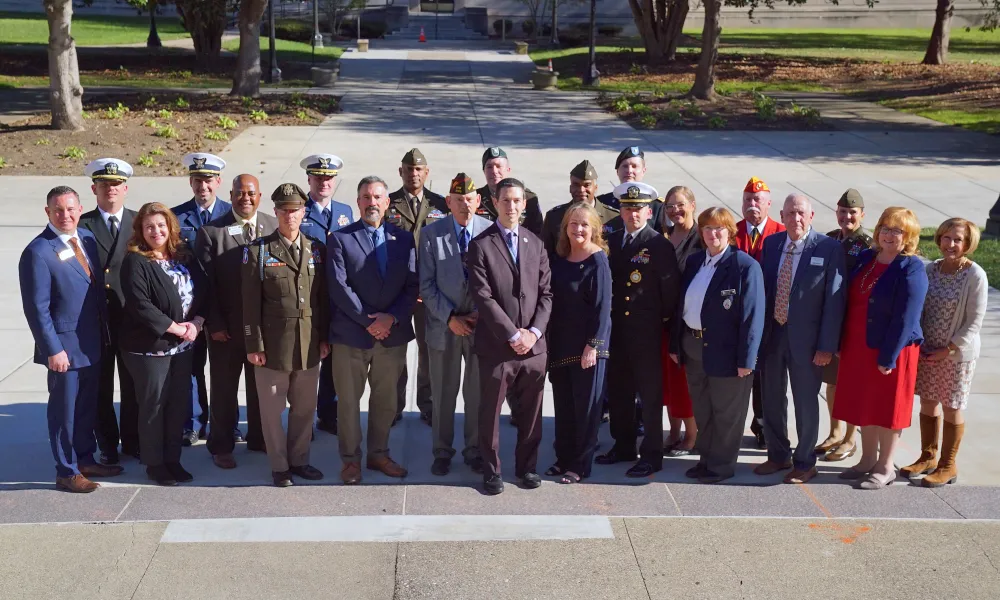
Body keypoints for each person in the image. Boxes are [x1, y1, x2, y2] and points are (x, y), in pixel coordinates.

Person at [19, 186, 123, 492]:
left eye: (71, 208)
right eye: (58, 210)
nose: (66, 215)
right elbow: (36, 310)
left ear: (80, 209)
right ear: (48, 212)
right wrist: (53, 350)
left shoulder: (87, 240)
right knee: (64, 412)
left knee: (86, 408)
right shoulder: (38, 252)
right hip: (64, 350)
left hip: (91, 344)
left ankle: (85, 458)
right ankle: (66, 471)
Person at [328, 176, 418, 485]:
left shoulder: (404, 239)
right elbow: (339, 287)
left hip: (391, 336)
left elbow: (412, 286)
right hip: (352, 335)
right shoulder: (340, 238)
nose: (372, 202)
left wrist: (389, 318)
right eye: (366, 197)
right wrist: (369, 321)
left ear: (387, 202)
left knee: (386, 400)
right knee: (350, 402)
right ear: (358, 202)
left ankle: (379, 453)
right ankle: (351, 461)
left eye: (378, 197)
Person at [467, 177, 552, 495]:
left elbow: (546, 294)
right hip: (497, 347)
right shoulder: (480, 245)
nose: (512, 206)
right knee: (490, 412)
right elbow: (482, 296)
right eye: (506, 201)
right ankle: (491, 472)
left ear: (524, 204)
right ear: (495, 203)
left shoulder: (536, 243)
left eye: (517, 201)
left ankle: (527, 467)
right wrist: (511, 334)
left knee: (531, 413)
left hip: (533, 348)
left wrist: (532, 333)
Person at [754, 194, 846, 484]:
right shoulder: (770, 245)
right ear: (781, 215)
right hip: (774, 335)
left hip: (809, 343)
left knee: (805, 401)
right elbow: (763, 293)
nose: (796, 218)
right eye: (790, 213)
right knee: (771, 398)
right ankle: (778, 455)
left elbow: (835, 300)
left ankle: (805, 461)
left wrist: (827, 346)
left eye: (801, 213)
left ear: (812, 215)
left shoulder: (829, 248)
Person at [834, 207, 928, 490]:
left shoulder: (912, 268)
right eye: (885, 228)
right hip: (859, 345)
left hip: (892, 350)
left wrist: (889, 356)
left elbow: (906, 317)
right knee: (865, 404)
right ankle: (867, 461)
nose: (888, 234)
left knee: (888, 409)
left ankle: (886, 467)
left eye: (897, 230)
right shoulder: (866, 258)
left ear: (908, 236)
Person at [243, 183, 330, 487]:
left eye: (295, 210)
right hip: (273, 346)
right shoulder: (259, 250)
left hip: (308, 344)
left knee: (305, 409)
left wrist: (324, 338)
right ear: (276, 212)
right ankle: (279, 466)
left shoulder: (317, 248)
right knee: (271, 412)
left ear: (303, 212)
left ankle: (300, 459)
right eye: (284, 210)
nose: (289, 216)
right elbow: (250, 304)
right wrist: (254, 344)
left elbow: (322, 301)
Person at [670, 207, 765, 484]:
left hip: (727, 353)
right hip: (693, 347)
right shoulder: (695, 261)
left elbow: (752, 317)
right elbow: (682, 306)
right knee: (703, 410)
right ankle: (706, 460)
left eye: (719, 228)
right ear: (701, 233)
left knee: (727, 413)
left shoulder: (744, 266)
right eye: (708, 228)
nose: (713, 234)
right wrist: (677, 344)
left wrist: (747, 359)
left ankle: (721, 466)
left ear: (730, 232)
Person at [596, 182, 681, 478]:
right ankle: (623, 445)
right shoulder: (612, 239)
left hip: (645, 332)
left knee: (649, 395)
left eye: (639, 208)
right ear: (620, 210)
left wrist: (660, 323)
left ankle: (652, 454)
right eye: (628, 208)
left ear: (649, 211)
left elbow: (669, 292)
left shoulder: (659, 244)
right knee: (619, 391)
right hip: (616, 330)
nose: (633, 213)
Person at [120, 203, 207, 486]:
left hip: (182, 346)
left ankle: (173, 460)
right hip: (150, 348)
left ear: (170, 227)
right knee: (153, 407)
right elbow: (140, 305)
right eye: (149, 227)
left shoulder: (183, 256)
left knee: (177, 405)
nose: (156, 231)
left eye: (160, 225)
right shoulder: (136, 261)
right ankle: (154, 464)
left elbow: (204, 290)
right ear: (140, 232)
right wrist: (176, 328)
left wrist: (196, 323)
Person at [195, 174, 277, 468]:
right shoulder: (211, 232)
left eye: (251, 193)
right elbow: (205, 284)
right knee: (224, 391)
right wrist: (213, 324)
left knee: (261, 389)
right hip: (226, 330)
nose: (245, 198)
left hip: (264, 330)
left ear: (260, 196)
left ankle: (259, 438)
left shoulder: (273, 225)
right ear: (230, 195)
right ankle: (221, 445)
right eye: (240, 193)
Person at [903, 218, 987, 487]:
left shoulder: (974, 275)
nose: (951, 244)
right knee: (928, 402)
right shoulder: (932, 270)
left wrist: (948, 349)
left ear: (967, 243)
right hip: (928, 351)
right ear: (939, 239)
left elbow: (975, 320)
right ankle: (928, 456)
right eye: (947, 238)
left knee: (952, 407)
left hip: (956, 355)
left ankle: (948, 465)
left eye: (958, 239)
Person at [419, 173, 490, 476]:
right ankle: (442, 450)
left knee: (476, 393)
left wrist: (479, 314)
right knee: (443, 392)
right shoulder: (432, 233)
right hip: (443, 326)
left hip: (479, 326)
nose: (464, 205)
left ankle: (474, 449)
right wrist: (450, 317)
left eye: (469, 199)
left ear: (478, 201)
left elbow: (497, 283)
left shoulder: (490, 232)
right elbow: (426, 284)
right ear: (448, 202)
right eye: (458, 200)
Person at [79, 158, 139, 466]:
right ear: (94, 189)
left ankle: (133, 440)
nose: (110, 190)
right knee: (101, 385)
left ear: (125, 188)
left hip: (131, 316)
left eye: (116, 185)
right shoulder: (82, 224)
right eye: (104, 185)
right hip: (97, 317)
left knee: (132, 383)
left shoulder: (140, 221)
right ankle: (107, 443)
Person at [546, 203, 611, 484]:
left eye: (584, 224)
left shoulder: (598, 261)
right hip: (561, 347)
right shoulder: (559, 260)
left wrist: (593, 345)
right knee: (564, 408)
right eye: (573, 224)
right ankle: (562, 459)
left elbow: (602, 308)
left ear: (594, 228)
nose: (578, 229)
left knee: (586, 411)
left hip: (588, 350)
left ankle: (579, 466)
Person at [171, 153, 232, 446]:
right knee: (192, 368)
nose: (203, 186)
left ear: (218, 182)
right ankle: (192, 423)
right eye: (197, 180)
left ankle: (226, 424)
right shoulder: (175, 216)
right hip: (191, 307)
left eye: (208, 180)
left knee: (224, 371)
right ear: (191, 182)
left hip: (224, 306)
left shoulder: (233, 215)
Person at [387, 148, 449, 425]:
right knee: (395, 352)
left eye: (418, 169)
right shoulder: (386, 203)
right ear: (400, 172)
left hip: (429, 292)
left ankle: (428, 404)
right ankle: (393, 406)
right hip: (396, 292)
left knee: (429, 351)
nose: (413, 174)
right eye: (408, 169)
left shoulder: (441, 205)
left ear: (427, 172)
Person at [298, 153, 354, 436]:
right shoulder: (299, 210)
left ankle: (328, 415)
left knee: (334, 361)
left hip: (337, 299)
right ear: (309, 179)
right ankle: (302, 419)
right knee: (306, 362)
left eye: (328, 177)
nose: (324, 182)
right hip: (307, 294)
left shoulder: (345, 211)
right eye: (318, 177)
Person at [815, 189, 872, 462]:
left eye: (852, 212)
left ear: (862, 214)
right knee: (832, 381)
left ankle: (851, 438)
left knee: (850, 383)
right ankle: (835, 432)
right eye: (842, 211)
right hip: (830, 321)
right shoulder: (828, 239)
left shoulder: (869, 245)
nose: (846, 217)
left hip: (853, 323)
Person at [733, 176, 785, 449]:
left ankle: (763, 424)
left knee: (766, 378)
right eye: (747, 200)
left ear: (768, 204)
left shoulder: (782, 232)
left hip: (771, 319)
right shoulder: (732, 231)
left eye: (757, 200)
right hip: (737, 318)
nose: (752, 205)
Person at [660, 185, 701, 457]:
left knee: (686, 381)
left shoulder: (701, 237)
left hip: (688, 321)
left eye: (681, 205)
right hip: (664, 319)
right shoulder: (664, 237)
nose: (676, 211)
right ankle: (673, 431)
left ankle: (692, 435)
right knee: (667, 379)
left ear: (693, 205)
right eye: (670, 207)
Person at [540, 159, 619, 253]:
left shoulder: (613, 217)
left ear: (595, 188)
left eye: (587, 185)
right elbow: (545, 254)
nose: (581, 190)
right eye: (576, 185)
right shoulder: (554, 217)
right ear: (570, 188)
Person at [594, 146, 664, 233]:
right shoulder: (602, 203)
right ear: (617, 171)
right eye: (625, 166)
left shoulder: (657, 207)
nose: (629, 171)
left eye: (634, 166)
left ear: (643, 171)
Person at [476, 147, 544, 236]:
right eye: (489, 167)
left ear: (508, 169)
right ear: (484, 171)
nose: (494, 171)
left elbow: (538, 233)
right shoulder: (475, 198)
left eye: (498, 166)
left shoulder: (528, 198)